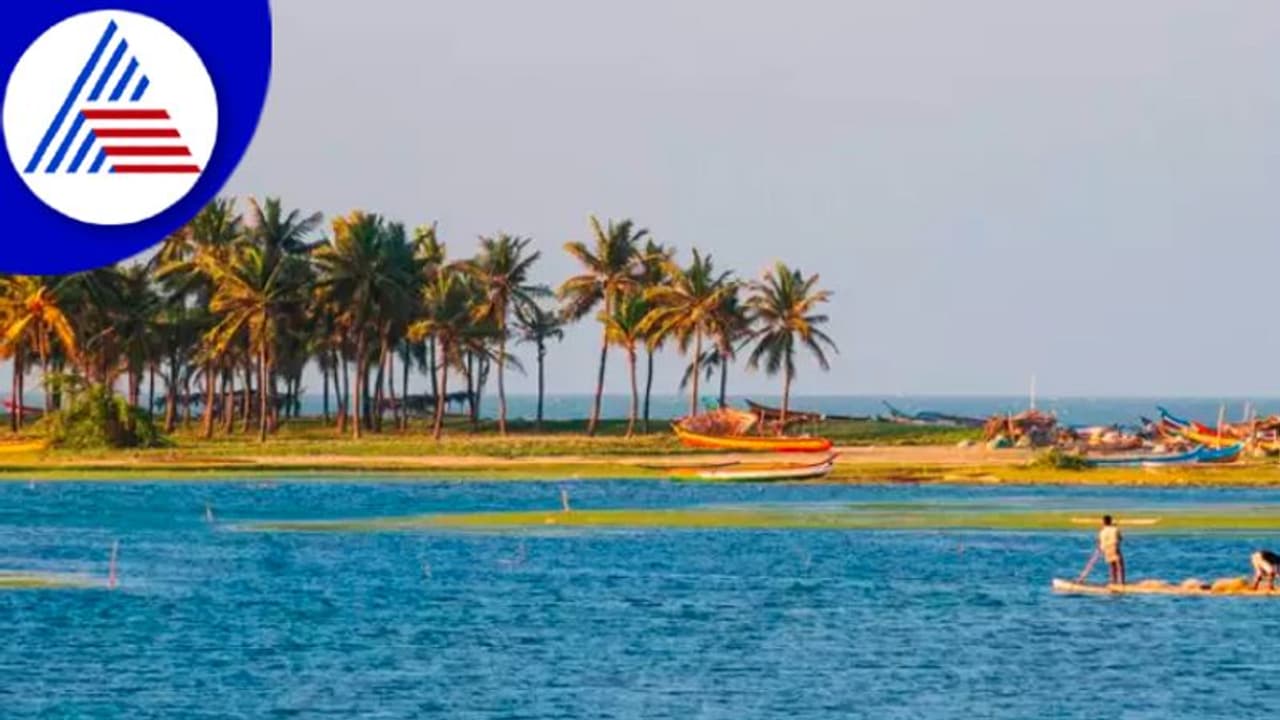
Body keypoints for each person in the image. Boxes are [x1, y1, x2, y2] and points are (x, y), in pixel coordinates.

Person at [1098, 515, 1125, 585]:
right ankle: (1121, 583)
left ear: (1104, 522)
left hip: (1106, 549)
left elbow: (1100, 542)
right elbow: (1120, 538)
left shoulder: (1102, 531)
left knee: (1112, 566)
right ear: (1110, 521)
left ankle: (1113, 581)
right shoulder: (1115, 529)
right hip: (1114, 548)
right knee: (1120, 566)